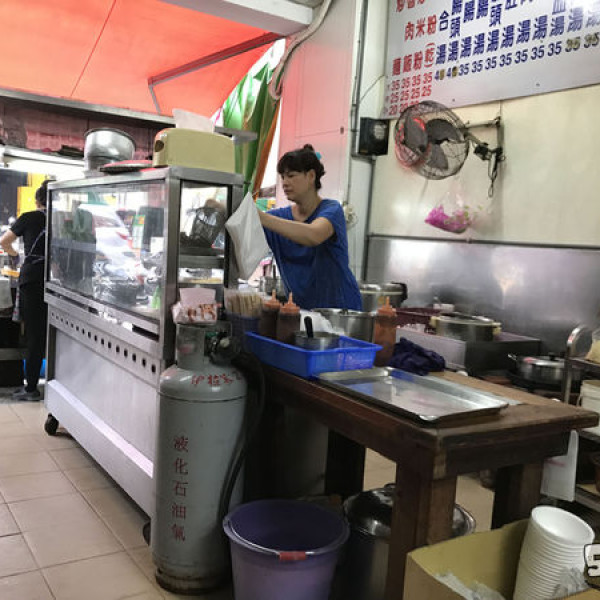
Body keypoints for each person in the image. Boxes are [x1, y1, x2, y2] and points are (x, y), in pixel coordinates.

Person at [258, 144, 362, 310]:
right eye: (283, 177)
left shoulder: (332, 210)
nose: (284, 183)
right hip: (302, 312)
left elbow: (313, 235)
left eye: (291, 176)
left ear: (311, 176)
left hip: (340, 312)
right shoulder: (279, 217)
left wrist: (260, 217)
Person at [0, 179, 50, 400]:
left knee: (34, 335)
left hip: (33, 279)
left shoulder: (29, 217)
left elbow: (4, 241)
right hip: (56, 282)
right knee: (53, 334)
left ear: (37, 200)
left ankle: (31, 388)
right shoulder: (61, 220)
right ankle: (57, 383)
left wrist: (16, 256)